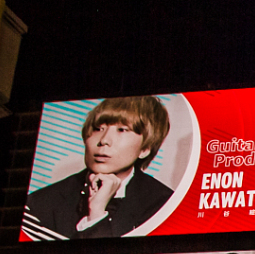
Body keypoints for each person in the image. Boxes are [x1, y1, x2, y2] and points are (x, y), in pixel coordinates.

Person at [22, 96, 175, 240]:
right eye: (97, 128)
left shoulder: (166, 205)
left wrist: (96, 213)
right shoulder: (39, 205)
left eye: (122, 129)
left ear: (145, 149)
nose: (104, 140)